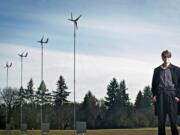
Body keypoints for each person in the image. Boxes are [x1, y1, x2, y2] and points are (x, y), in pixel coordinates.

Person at [152, 50, 180, 135]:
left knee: (173, 122)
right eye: (164, 57)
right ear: (162, 58)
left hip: (172, 95)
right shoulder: (157, 70)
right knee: (161, 122)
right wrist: (154, 95)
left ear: (170, 58)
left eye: (167, 57)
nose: (166, 59)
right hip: (160, 95)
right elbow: (153, 84)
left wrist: (178, 96)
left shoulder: (177, 69)